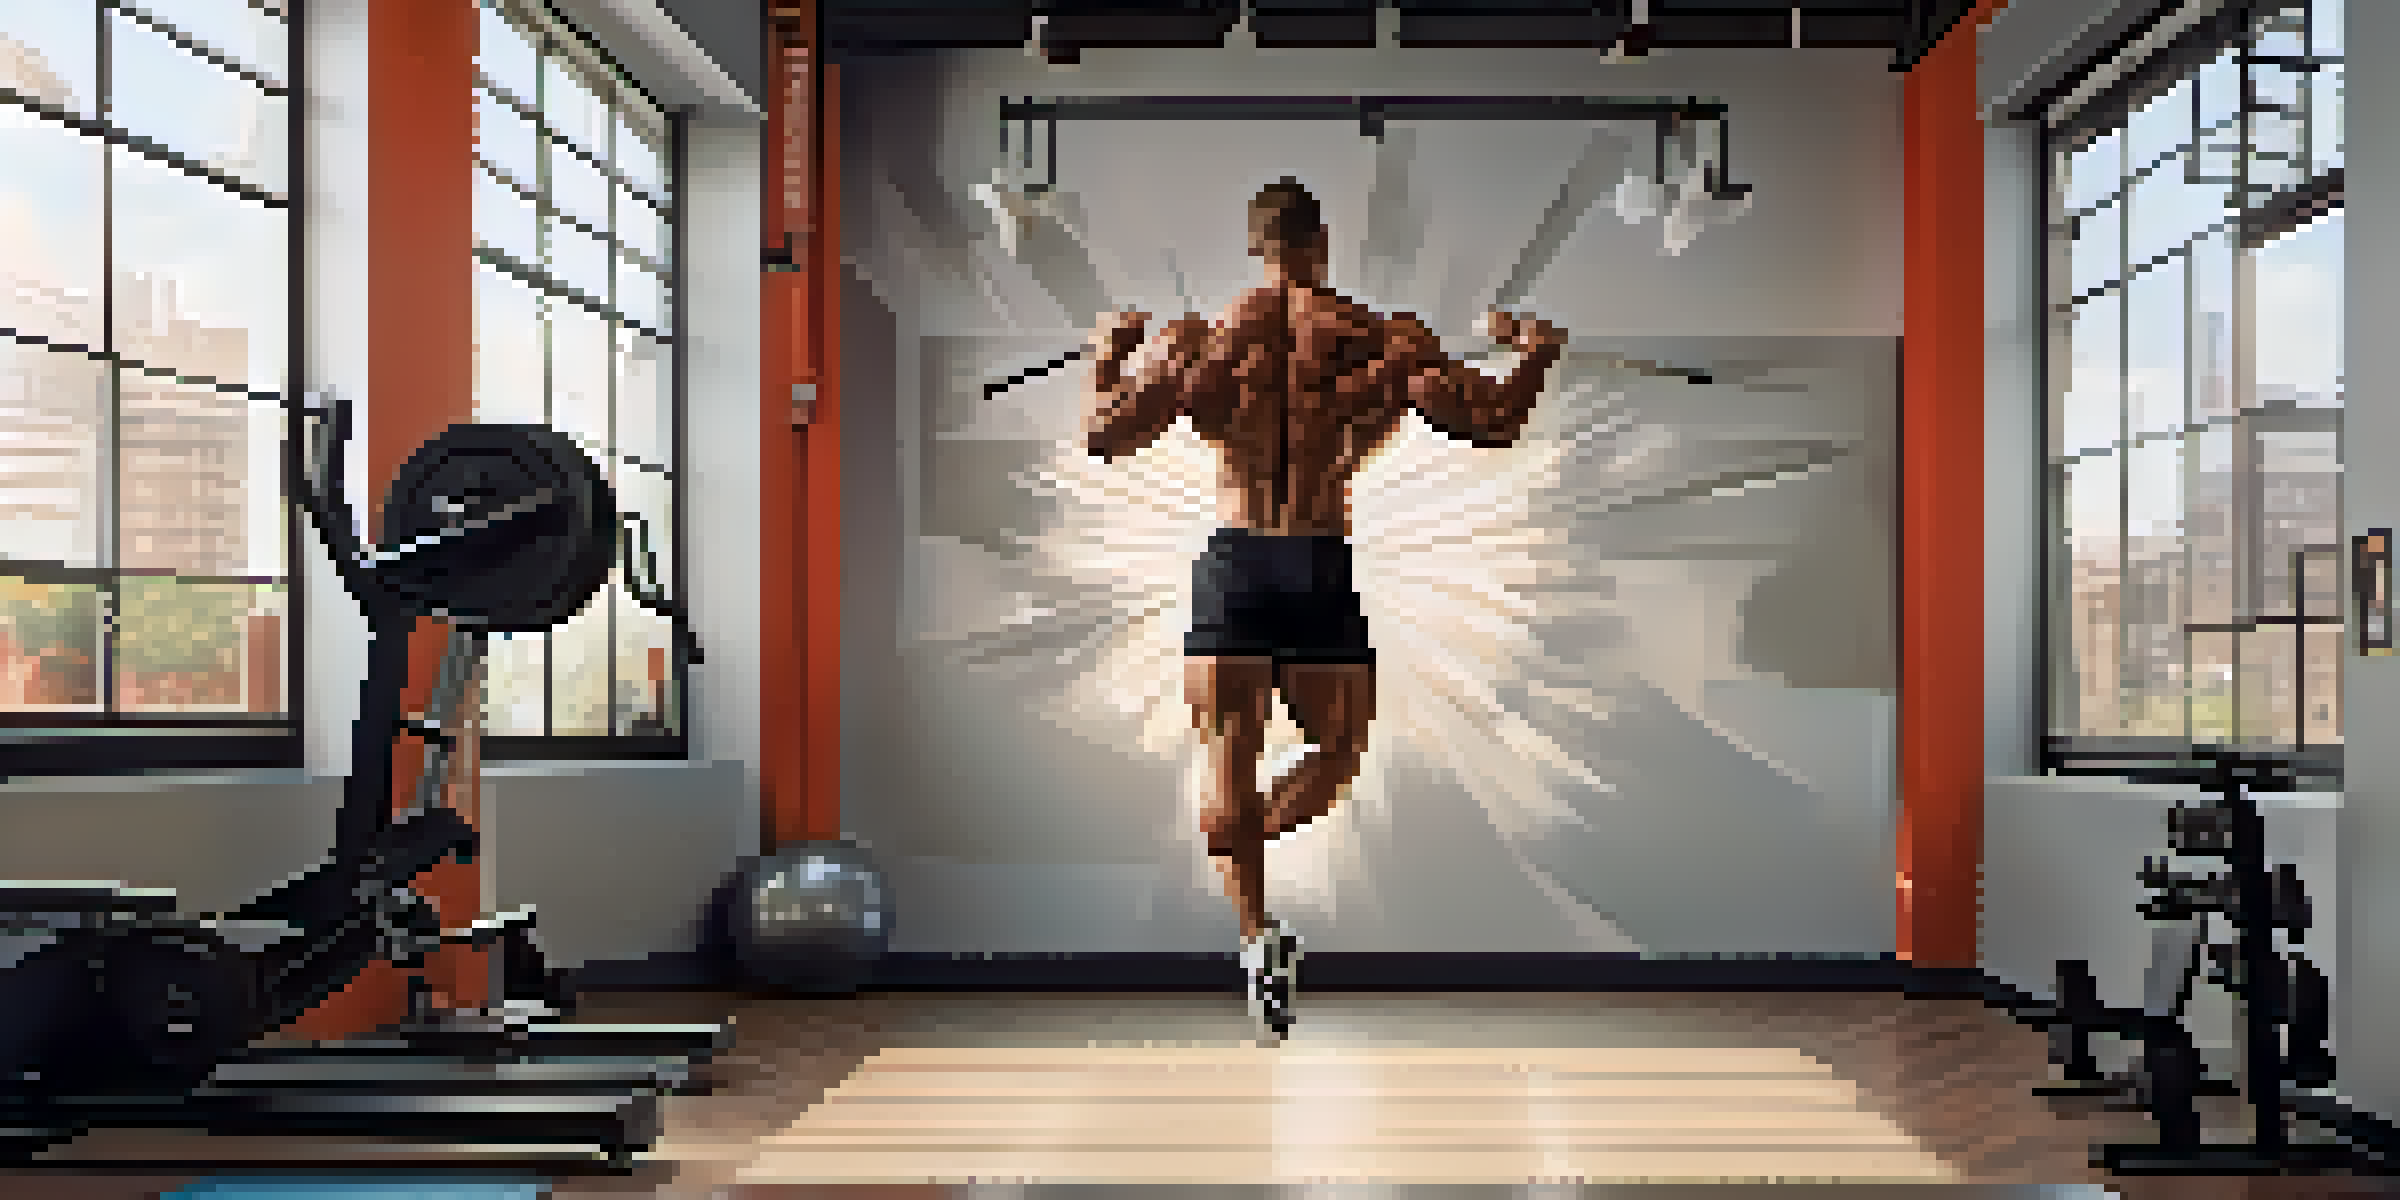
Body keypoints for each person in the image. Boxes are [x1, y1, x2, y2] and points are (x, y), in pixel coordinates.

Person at [1084, 177, 1567, 1037]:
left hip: (1235, 563)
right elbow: (1494, 420)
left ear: (1253, 245)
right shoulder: (1381, 341)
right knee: (1339, 753)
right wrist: (1533, 351)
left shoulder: (1204, 343)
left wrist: (1108, 353)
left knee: (1227, 760)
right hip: (1317, 558)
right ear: (1324, 242)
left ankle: (1256, 930)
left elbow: (1105, 433)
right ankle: (1249, 847)